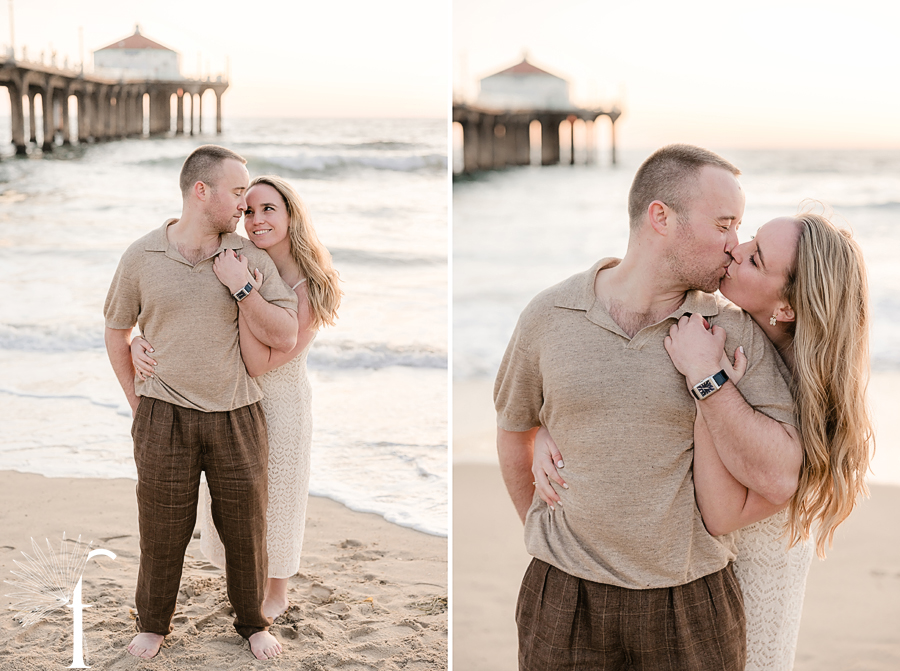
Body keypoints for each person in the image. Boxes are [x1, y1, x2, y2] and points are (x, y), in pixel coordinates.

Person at [495, 144, 804, 670]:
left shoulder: (732, 329)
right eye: (725, 224)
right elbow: (514, 426)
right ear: (660, 216)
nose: (735, 246)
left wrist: (708, 379)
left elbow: (782, 468)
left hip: (690, 603)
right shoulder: (549, 315)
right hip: (565, 597)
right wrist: (546, 534)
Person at [534, 211, 873, 669]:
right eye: (749, 237)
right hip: (690, 588)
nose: (735, 249)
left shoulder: (806, 404)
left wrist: (708, 381)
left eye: (754, 258)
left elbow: (719, 513)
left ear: (787, 308)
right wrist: (549, 432)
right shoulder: (733, 335)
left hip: (746, 600)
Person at [104, 145, 298, 661]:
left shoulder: (247, 258)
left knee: (245, 529)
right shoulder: (141, 256)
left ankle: (253, 622)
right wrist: (137, 403)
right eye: (237, 192)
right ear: (201, 191)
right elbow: (116, 329)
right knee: (162, 527)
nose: (244, 205)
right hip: (162, 415)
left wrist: (242, 288)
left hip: (237, 414)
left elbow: (286, 330)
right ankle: (153, 624)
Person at [132, 175, 341, 622]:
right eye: (248, 210)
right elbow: (188, 317)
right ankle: (243, 581)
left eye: (269, 209)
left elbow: (260, 362)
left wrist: (242, 290)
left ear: (291, 215)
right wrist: (139, 340)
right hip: (225, 403)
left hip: (277, 404)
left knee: (278, 500)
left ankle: (277, 590)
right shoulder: (239, 258)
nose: (257, 219)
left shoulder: (311, 283)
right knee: (232, 507)